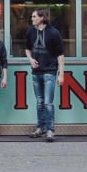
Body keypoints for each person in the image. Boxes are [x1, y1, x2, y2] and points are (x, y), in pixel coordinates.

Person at [25, 8, 65, 142]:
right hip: (36, 72)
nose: (32, 19)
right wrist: (30, 59)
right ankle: (40, 127)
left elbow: (60, 54)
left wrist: (61, 74)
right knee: (40, 102)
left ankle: (50, 130)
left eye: (34, 16)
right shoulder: (31, 31)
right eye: (32, 17)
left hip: (50, 71)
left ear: (42, 17)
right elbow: (27, 48)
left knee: (48, 102)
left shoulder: (53, 33)